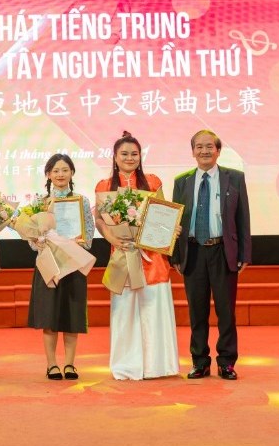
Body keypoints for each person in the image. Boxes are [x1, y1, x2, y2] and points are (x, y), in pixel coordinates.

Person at [94, 131, 180, 380]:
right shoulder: (104, 186)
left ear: (140, 156)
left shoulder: (152, 182)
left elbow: (164, 213)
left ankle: (158, 365)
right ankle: (126, 366)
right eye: (124, 154)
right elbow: (100, 220)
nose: (130, 158)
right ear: (115, 156)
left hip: (153, 258)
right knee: (125, 312)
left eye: (134, 153)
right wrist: (113, 239)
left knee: (153, 310)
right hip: (122, 254)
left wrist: (171, 228)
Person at [172, 129, 252, 381]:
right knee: (197, 312)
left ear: (218, 150)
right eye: (199, 147)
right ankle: (200, 361)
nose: (204, 151)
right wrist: (174, 255)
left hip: (223, 250)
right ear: (193, 151)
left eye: (209, 146)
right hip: (193, 251)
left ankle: (226, 362)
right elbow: (176, 222)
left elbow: (243, 218)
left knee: (226, 311)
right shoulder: (182, 181)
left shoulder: (234, 178)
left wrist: (244, 253)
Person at [27, 153, 94, 381]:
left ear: (72, 173)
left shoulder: (82, 201)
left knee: (72, 316)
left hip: (73, 263)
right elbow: (32, 236)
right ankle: (51, 364)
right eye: (55, 171)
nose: (60, 174)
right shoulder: (39, 202)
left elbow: (89, 233)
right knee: (49, 316)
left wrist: (80, 242)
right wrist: (38, 242)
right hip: (49, 263)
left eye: (65, 170)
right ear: (48, 174)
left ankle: (70, 364)